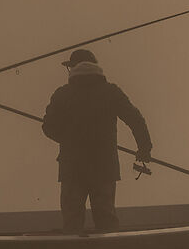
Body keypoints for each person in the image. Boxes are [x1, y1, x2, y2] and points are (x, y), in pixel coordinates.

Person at [41, 48, 151, 233]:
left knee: (72, 221)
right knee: (106, 218)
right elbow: (135, 119)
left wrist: (69, 139)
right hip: (104, 166)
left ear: (73, 68)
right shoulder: (111, 92)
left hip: (72, 168)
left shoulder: (62, 94)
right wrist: (144, 148)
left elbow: (48, 127)